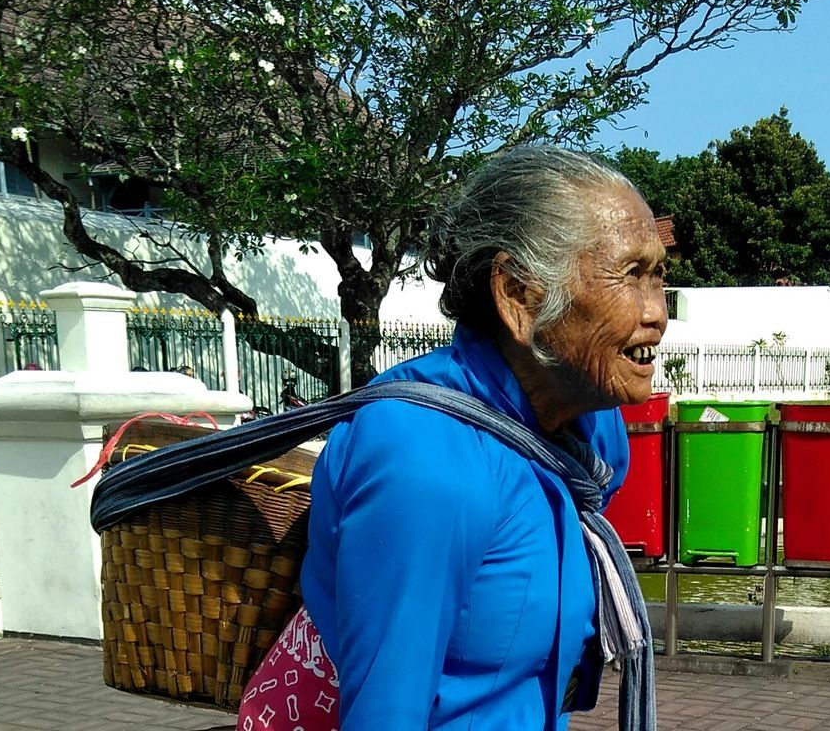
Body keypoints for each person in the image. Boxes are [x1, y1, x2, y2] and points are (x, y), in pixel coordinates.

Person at [237, 146, 667, 730]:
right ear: (519, 294)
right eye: (630, 275)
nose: (657, 313)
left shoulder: (591, 438)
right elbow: (385, 716)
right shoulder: (423, 460)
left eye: (659, 273)